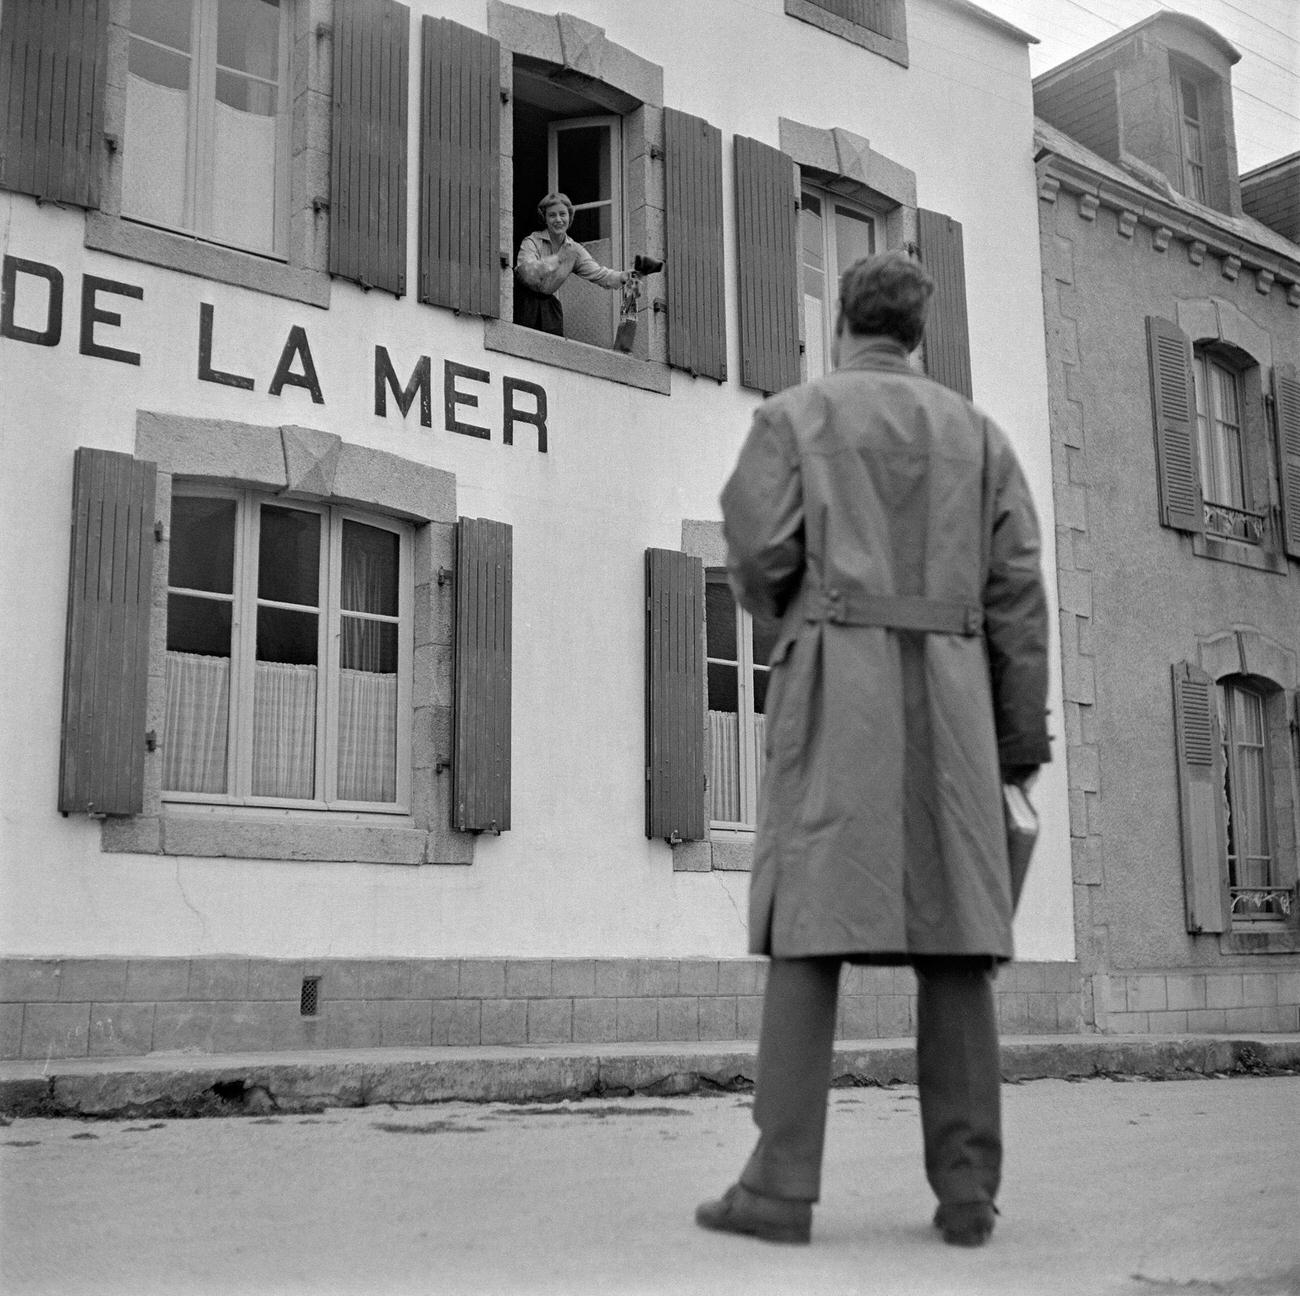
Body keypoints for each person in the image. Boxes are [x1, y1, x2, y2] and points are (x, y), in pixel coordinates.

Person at [696, 250, 1051, 1249]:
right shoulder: (977, 436)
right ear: (915, 333)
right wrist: (1017, 743)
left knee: (808, 932)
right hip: (952, 708)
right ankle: (968, 1198)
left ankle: (777, 1189)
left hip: (833, 690)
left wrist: (803, 621)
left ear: (839, 321)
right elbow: (1018, 596)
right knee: (958, 951)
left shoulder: (794, 419)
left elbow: (756, 551)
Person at [514, 191, 634, 337]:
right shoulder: (531, 241)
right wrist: (557, 259)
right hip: (523, 304)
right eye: (552, 215)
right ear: (544, 218)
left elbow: (600, 274)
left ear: (569, 217)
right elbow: (527, 272)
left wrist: (624, 276)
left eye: (562, 214)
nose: (558, 219)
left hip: (549, 310)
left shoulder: (574, 249)